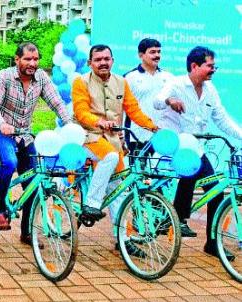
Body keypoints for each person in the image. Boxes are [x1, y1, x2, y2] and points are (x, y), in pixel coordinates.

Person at [154, 46, 242, 258]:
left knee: (216, 190)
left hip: (196, 147)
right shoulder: (176, 84)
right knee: (190, 168)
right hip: (175, 146)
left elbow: (222, 119)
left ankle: (212, 243)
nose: (213, 70)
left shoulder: (210, 90)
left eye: (214, 66)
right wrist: (170, 101)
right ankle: (178, 218)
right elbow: (157, 102)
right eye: (210, 66)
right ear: (194, 66)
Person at [72, 44, 158, 253]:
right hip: (87, 137)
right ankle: (91, 204)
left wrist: (154, 127)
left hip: (111, 140)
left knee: (119, 189)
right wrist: (98, 122)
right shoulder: (80, 82)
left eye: (107, 59)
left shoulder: (121, 82)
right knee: (110, 156)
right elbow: (81, 112)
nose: (103, 62)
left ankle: (123, 239)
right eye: (98, 59)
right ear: (90, 63)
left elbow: (134, 110)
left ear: (113, 61)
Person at [0, 42, 70, 246]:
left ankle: (26, 233)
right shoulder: (5, 76)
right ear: (17, 60)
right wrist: (2, 123)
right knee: (9, 163)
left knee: (34, 181)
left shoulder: (41, 77)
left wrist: (69, 124)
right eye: (27, 59)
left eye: (35, 59)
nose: (32, 63)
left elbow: (56, 102)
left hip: (25, 135)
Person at [124, 38, 174, 153]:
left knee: (162, 170)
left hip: (162, 136)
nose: (157, 55)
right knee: (138, 171)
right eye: (152, 52)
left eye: (159, 52)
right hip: (137, 137)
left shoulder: (169, 77)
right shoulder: (129, 77)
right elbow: (122, 109)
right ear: (141, 55)